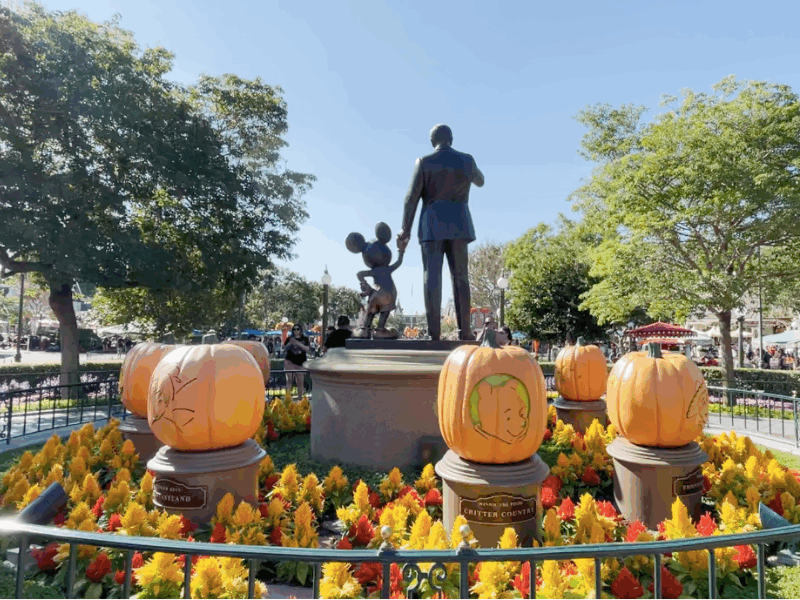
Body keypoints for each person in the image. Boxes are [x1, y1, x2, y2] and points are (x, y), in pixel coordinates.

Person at [397, 124, 484, 340]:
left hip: (431, 224)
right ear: (451, 139)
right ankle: (465, 333)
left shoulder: (424, 162)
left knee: (432, 277)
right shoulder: (467, 160)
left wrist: (404, 230)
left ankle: (434, 334)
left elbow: (411, 198)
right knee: (461, 277)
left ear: (432, 141)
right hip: (459, 222)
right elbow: (480, 181)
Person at [284, 324, 312, 398]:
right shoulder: (289, 338)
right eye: (294, 329)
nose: (296, 331)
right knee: (289, 381)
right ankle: (288, 399)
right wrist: (290, 343)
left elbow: (307, 349)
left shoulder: (305, 339)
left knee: (300, 382)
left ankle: (300, 399)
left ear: (301, 330)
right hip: (289, 361)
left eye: (298, 329)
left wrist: (298, 343)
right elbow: (284, 348)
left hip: (300, 362)